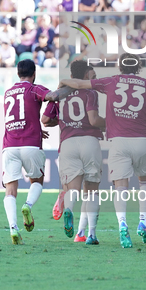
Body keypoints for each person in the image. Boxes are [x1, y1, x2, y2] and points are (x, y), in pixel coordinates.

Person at [60, 53, 146, 249]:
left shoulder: (111, 81)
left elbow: (80, 85)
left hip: (118, 141)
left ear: (120, 67)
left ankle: (122, 225)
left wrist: (62, 80)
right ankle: (143, 223)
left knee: (120, 186)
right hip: (141, 139)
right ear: (138, 67)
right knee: (145, 182)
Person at [2, 59, 73, 245]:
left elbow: (19, 115)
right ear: (34, 74)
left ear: (18, 74)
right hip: (31, 144)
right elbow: (52, 96)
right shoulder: (34, 89)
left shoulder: (8, 92)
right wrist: (72, 87)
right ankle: (28, 205)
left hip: (9, 145)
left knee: (10, 190)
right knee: (37, 181)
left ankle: (13, 228)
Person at [42, 61, 105, 245]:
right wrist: (112, 122)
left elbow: (45, 119)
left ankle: (69, 210)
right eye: (92, 76)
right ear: (85, 76)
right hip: (89, 141)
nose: (94, 79)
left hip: (68, 142)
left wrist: (63, 122)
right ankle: (91, 234)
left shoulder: (60, 94)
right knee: (92, 191)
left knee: (73, 189)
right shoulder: (91, 93)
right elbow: (93, 120)